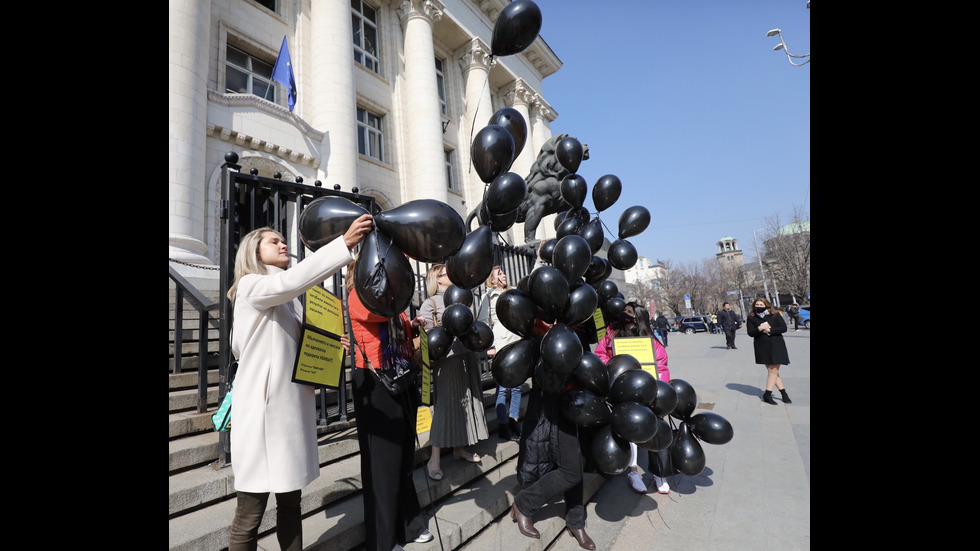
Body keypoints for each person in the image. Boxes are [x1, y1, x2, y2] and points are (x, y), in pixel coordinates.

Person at [226, 215, 374, 551]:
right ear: (253, 251)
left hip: (287, 416)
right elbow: (289, 283)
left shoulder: (288, 297)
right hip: (262, 418)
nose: (283, 244)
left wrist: (330, 346)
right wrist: (343, 245)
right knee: (249, 515)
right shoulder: (252, 285)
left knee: (291, 506)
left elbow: (298, 348)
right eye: (273, 241)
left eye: (283, 239)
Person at [346, 258, 433, 550]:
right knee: (382, 466)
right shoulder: (359, 295)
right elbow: (379, 315)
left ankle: (409, 525)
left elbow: (399, 329)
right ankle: (383, 541)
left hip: (401, 379)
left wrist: (413, 327)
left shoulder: (393, 298)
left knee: (404, 460)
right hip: (376, 383)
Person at [512, 316, 596, 550]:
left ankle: (576, 521)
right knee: (571, 470)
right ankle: (524, 503)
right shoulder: (538, 324)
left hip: (581, 400)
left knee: (578, 463)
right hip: (555, 402)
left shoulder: (579, 317)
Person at [420, 264, 489, 481]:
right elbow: (429, 337)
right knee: (446, 407)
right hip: (447, 362)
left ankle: (460, 447)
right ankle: (435, 459)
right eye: (446, 274)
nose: (451, 276)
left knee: (466, 403)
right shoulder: (430, 303)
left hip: (466, 356)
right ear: (437, 280)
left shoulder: (462, 297)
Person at [594, 303, 670, 495]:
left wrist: (657, 388)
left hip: (646, 392)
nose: (624, 314)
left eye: (628, 312)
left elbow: (661, 366)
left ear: (637, 317)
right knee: (630, 430)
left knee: (654, 428)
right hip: (621, 390)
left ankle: (659, 473)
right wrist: (612, 365)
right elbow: (600, 354)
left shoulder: (651, 339)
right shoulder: (612, 333)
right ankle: (633, 472)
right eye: (624, 311)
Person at [478, 265, 523, 442]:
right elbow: (483, 323)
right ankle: (503, 424)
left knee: (518, 385)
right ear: (493, 279)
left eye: (504, 272)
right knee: (503, 388)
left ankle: (514, 420)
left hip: (516, 341)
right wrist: (490, 346)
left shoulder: (514, 292)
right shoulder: (487, 297)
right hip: (501, 343)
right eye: (500, 273)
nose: (504, 275)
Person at [746, 297, 792, 405]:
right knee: (773, 371)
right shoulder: (751, 317)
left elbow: (783, 328)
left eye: (761, 305)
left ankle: (768, 394)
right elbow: (750, 333)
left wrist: (770, 330)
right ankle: (783, 394)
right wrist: (760, 329)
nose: (758, 307)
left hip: (777, 344)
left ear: (767, 305)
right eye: (757, 305)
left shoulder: (775, 314)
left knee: (773, 371)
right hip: (762, 346)